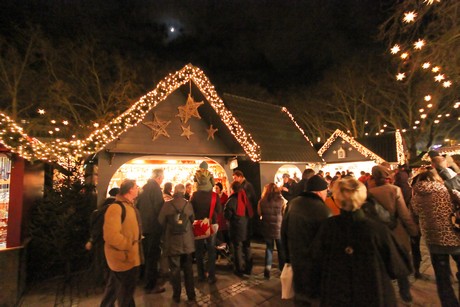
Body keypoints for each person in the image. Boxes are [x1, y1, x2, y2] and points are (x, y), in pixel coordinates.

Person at [306, 178, 412, 306]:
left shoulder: (328, 228)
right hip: (374, 294)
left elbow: (314, 261)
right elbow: (398, 266)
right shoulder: (377, 229)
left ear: (337, 199)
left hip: (337, 294)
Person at [368, 165, 419, 303]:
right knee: (399, 262)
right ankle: (405, 293)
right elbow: (404, 214)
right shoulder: (394, 190)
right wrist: (413, 231)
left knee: (383, 265)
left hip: (379, 234)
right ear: (388, 177)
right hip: (396, 232)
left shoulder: (369, 193)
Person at [412, 170, 460, 307]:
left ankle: (450, 304)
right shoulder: (449, 192)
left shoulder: (416, 198)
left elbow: (414, 216)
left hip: (434, 241)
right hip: (456, 236)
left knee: (442, 278)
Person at [281, 175, 331, 306]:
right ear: (320, 191)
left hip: (296, 260)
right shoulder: (324, 210)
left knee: (300, 297)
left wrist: (287, 257)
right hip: (316, 267)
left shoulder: (293, 204)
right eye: (326, 191)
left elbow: (284, 231)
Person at [100, 179, 142, 307]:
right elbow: (111, 235)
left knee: (116, 290)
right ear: (130, 190)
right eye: (136, 187)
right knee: (125, 292)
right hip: (123, 258)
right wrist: (128, 244)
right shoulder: (116, 208)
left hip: (128, 257)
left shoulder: (129, 206)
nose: (138, 189)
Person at [158, 184, 196, 304]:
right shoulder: (188, 204)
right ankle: (191, 295)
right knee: (188, 269)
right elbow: (193, 220)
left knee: (174, 270)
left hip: (173, 242)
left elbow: (160, 221)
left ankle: (176, 295)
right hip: (187, 242)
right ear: (184, 192)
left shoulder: (167, 205)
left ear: (174, 192)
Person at [136, 169, 166, 294]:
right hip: (153, 227)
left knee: (147, 256)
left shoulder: (144, 188)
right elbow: (160, 209)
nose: (162, 180)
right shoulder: (156, 189)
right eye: (162, 178)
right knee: (153, 257)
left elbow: (137, 207)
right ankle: (151, 285)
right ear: (158, 178)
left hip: (144, 227)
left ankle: (147, 281)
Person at [190, 166, 221, 284]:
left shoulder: (194, 195)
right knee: (211, 250)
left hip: (198, 225)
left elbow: (191, 211)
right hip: (212, 224)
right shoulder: (214, 196)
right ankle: (211, 276)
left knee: (198, 251)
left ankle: (201, 275)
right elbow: (219, 210)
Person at [85, 187, 120, 287]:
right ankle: (109, 283)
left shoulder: (103, 205)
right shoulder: (113, 206)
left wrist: (92, 239)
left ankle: (105, 281)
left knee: (103, 262)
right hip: (108, 240)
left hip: (101, 240)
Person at [257, 183, 286, 279]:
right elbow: (284, 213)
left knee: (269, 248)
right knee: (280, 249)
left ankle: (267, 270)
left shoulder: (262, 201)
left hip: (267, 227)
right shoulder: (281, 201)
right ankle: (282, 269)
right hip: (279, 227)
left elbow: (259, 213)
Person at [232, 170, 257, 274]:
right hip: (246, 218)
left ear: (240, 177)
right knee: (246, 244)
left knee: (245, 244)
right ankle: (248, 266)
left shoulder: (246, 186)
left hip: (245, 218)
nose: (234, 180)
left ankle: (246, 266)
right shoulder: (245, 186)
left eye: (235, 178)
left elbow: (251, 200)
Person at [224, 181, 252, 276]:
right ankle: (248, 268)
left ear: (232, 189)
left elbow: (227, 215)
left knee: (237, 249)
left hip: (236, 227)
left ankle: (239, 269)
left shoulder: (231, 200)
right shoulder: (245, 197)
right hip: (247, 226)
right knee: (247, 247)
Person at [215, 182, 229, 249]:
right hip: (218, 217)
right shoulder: (215, 196)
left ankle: (226, 246)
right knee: (219, 232)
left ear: (220, 188)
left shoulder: (225, 196)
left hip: (223, 217)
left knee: (224, 232)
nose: (216, 190)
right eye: (215, 188)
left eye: (217, 188)